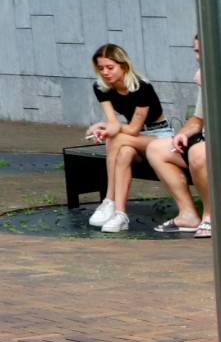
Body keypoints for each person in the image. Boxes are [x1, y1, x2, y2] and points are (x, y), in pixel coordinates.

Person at [83, 43, 162, 232]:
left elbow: (134, 129)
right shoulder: (101, 87)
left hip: (159, 136)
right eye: (101, 68)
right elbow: (113, 123)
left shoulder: (142, 87)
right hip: (131, 138)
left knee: (115, 139)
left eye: (110, 67)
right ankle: (120, 215)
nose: (105, 72)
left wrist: (106, 128)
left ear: (124, 66)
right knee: (124, 152)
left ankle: (109, 199)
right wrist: (103, 129)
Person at [147, 36, 209, 237]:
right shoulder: (206, 76)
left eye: (203, 51)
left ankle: (211, 216)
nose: (199, 57)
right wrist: (182, 134)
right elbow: (198, 120)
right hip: (206, 142)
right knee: (156, 149)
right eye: (196, 51)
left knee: (198, 153)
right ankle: (188, 215)